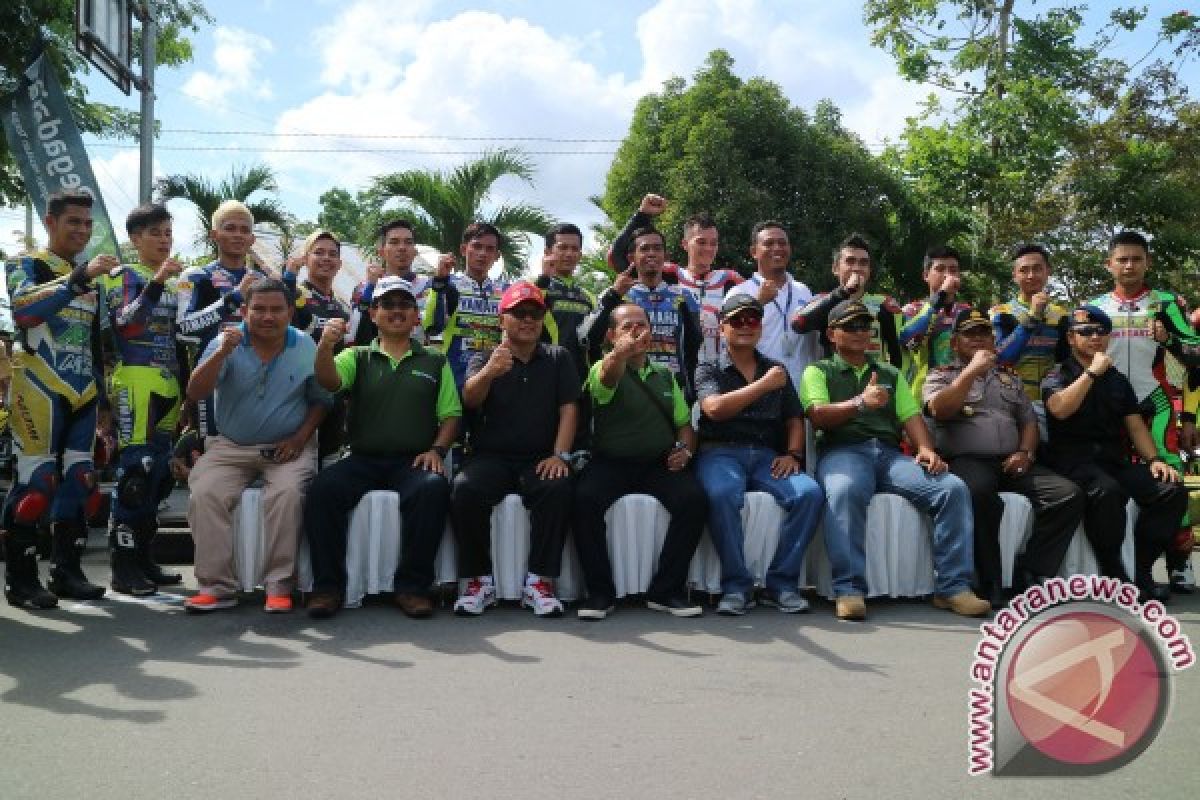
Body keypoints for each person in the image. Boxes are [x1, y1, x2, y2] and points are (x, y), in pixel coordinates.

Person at [800, 299, 989, 621]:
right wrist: (860, 402)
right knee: (844, 491)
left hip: (888, 454)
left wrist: (926, 449)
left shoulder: (887, 371)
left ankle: (952, 588)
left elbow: (911, 416)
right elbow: (818, 416)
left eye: (865, 326)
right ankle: (848, 589)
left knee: (952, 488)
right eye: (851, 326)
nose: (861, 332)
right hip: (843, 450)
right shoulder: (818, 370)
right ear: (832, 334)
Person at [304, 277, 460, 619]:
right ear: (373, 314)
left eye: (404, 305)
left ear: (417, 316)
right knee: (322, 490)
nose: (396, 311)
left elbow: (451, 414)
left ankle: (413, 587)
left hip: (412, 462)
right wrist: (324, 347)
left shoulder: (435, 360)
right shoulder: (355, 355)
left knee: (433, 489)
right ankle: (327, 587)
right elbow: (329, 382)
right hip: (362, 459)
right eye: (387, 305)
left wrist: (437, 451)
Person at [184, 278, 331, 613]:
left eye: (277, 309)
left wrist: (300, 438)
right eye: (259, 309)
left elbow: (322, 399)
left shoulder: (305, 345)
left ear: (290, 312)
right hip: (231, 446)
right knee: (205, 492)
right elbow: (195, 392)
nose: (268, 316)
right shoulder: (227, 341)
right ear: (244, 311)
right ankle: (216, 588)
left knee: (287, 494)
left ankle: (279, 586)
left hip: (288, 448)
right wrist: (222, 352)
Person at [923, 308, 1084, 607]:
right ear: (955, 343)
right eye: (970, 335)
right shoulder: (941, 375)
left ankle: (1032, 570)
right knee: (980, 495)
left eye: (984, 334)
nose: (979, 339)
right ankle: (988, 582)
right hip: (967, 460)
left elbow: (1028, 422)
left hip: (1012, 461)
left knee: (1067, 494)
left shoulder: (1009, 378)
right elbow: (940, 410)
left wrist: (1025, 452)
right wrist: (970, 372)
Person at [2, 190, 114, 609]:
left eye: (87, 224)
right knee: (37, 485)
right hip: (36, 384)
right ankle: (21, 580)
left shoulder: (91, 278)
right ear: (50, 222)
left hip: (83, 389)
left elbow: (96, 342)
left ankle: (67, 572)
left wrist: (102, 399)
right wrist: (76, 280)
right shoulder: (25, 263)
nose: (82, 230)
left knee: (82, 482)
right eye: (74, 222)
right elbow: (24, 312)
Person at [1041, 304, 1188, 603]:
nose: (1095, 337)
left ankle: (1141, 569)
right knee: (1108, 492)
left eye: (1101, 332)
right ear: (1071, 338)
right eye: (1086, 332)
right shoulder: (1058, 373)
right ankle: (1114, 573)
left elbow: (1135, 428)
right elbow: (1059, 409)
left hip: (1111, 460)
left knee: (1170, 490)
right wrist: (1091, 374)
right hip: (1072, 461)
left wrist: (1155, 460)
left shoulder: (1118, 380)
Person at [450, 282, 577, 617]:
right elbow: (470, 400)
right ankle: (479, 581)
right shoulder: (484, 356)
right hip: (491, 457)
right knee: (465, 489)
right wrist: (490, 372)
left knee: (558, 486)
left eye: (535, 313)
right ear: (501, 318)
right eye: (519, 313)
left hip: (539, 458)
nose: (527, 319)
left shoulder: (558, 357)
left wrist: (560, 455)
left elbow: (569, 410)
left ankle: (539, 582)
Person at [572, 303, 706, 620]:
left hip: (657, 463)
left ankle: (666, 590)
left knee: (694, 501)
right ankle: (600, 592)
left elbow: (684, 424)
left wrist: (685, 451)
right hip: (611, 463)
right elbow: (607, 378)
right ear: (610, 335)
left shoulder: (664, 374)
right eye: (627, 326)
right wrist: (619, 354)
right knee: (583, 501)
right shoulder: (601, 366)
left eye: (642, 325)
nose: (637, 332)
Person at [694, 294, 824, 615]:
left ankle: (781, 583)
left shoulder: (774, 368)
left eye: (752, 320)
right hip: (720, 452)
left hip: (766, 454)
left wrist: (793, 454)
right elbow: (714, 410)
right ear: (722, 328)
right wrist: (762, 387)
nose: (745, 326)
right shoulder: (708, 367)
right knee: (723, 494)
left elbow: (794, 417)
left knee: (809, 494)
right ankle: (736, 586)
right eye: (736, 321)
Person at [1089, 230, 1200, 592]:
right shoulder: (1096, 308)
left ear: (1147, 262)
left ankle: (1179, 561)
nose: (1129, 265)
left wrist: (1189, 417)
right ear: (1109, 265)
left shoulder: (1167, 303)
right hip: (1110, 408)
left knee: (1171, 479)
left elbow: (1195, 356)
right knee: (1114, 485)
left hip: (1158, 403)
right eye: (1122, 259)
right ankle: (1117, 566)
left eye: (1137, 259)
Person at [98, 203, 188, 595]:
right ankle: (123, 567)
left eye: (168, 233)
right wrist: (156, 283)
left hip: (169, 383)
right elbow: (126, 323)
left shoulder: (172, 281)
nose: (164, 240)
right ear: (135, 239)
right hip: (135, 379)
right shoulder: (125, 275)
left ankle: (146, 559)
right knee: (135, 474)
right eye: (156, 233)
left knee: (159, 477)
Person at [609, 195, 743, 365]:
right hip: (674, 368)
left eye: (713, 243)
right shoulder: (667, 273)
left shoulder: (730, 280)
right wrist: (642, 215)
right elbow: (616, 257)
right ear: (685, 244)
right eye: (701, 242)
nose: (708, 248)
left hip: (721, 370)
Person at [176, 201, 269, 437]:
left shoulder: (264, 281)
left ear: (252, 239)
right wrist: (233, 298)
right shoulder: (196, 276)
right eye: (230, 228)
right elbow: (183, 329)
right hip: (213, 378)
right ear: (214, 235)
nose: (238, 235)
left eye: (244, 230)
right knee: (211, 454)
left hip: (258, 380)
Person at [583, 224, 702, 400]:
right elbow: (589, 338)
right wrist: (613, 296)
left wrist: (691, 389)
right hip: (628, 386)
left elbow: (694, 346)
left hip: (674, 388)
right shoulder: (616, 295)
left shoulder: (684, 297)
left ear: (665, 256)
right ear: (632, 257)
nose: (651, 253)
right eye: (644, 248)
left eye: (657, 248)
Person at [791, 233, 908, 370]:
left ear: (869, 270)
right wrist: (844, 292)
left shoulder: (885, 305)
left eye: (863, 263)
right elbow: (798, 324)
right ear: (835, 269)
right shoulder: (824, 301)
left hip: (874, 384)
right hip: (835, 385)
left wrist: (893, 386)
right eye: (850, 261)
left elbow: (899, 354)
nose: (857, 268)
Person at [723, 221, 817, 388]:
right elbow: (727, 343)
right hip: (758, 390)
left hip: (801, 390)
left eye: (782, 243)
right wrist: (758, 302)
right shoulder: (739, 293)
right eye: (768, 243)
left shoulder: (803, 291)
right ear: (754, 252)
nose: (777, 248)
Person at [286, 230, 352, 464]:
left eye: (332, 254)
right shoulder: (292, 294)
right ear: (306, 258)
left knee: (329, 463)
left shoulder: (342, 307)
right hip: (297, 396)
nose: (326, 258)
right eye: (319, 252)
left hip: (333, 401)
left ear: (340, 263)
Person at [424, 222, 508, 388]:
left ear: (497, 255)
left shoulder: (506, 291)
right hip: (453, 374)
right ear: (463, 249)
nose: (483, 253)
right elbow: (432, 326)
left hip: (492, 376)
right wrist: (440, 282)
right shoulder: (446, 285)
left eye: (490, 249)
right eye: (477, 246)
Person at [990, 244, 1070, 410]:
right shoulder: (1001, 312)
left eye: (1037, 269)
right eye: (1024, 270)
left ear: (1048, 271)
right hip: (1011, 399)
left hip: (1052, 400)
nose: (1031, 275)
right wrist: (1032, 317)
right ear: (1014, 275)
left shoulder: (1061, 315)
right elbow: (1000, 357)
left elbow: (1066, 360)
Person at [350, 219, 438, 346]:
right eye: (394, 242)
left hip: (418, 363)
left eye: (408, 242)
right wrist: (371, 288)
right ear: (381, 252)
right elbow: (355, 334)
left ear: (415, 252)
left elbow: (437, 328)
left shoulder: (429, 287)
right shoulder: (363, 289)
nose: (402, 248)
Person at [900, 245, 973, 397]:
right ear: (926, 275)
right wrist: (939, 298)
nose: (947, 275)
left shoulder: (968, 312)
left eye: (953, 270)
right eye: (940, 269)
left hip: (964, 395)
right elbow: (908, 342)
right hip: (921, 397)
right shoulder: (912, 310)